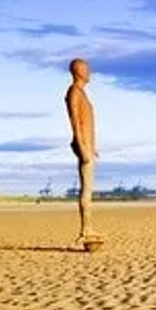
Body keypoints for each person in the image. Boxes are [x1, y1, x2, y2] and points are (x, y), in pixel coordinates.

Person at [65, 58, 98, 243]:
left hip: (88, 145)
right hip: (83, 145)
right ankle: (86, 229)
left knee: (89, 189)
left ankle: (88, 227)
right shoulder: (74, 92)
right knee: (86, 189)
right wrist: (82, 145)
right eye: (86, 69)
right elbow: (75, 121)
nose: (89, 72)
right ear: (78, 71)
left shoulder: (82, 93)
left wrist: (93, 146)